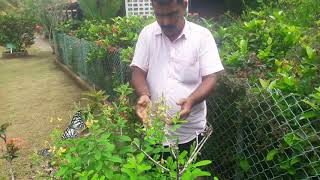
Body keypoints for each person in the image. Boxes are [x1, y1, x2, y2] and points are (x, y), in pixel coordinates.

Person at [130, 0, 224, 152]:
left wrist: (191, 100)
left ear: (184, 5)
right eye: (159, 15)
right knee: (154, 174)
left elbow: (211, 78)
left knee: (190, 174)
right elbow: (138, 71)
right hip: (154, 129)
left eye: (172, 14)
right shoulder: (147, 34)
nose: (165, 22)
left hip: (190, 132)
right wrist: (144, 95)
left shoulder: (202, 36)